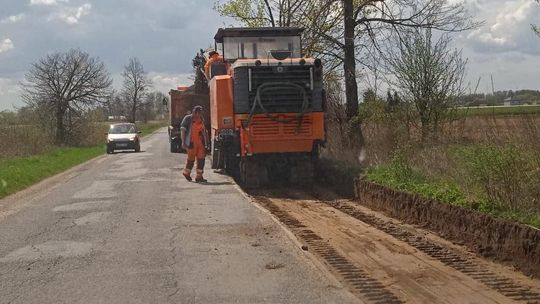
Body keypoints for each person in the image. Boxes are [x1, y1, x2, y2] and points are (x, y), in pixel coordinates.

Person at [180, 106, 209, 182]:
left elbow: (204, 132)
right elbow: (183, 130)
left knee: (201, 159)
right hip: (191, 143)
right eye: (197, 113)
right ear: (194, 112)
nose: (198, 114)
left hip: (201, 143)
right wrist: (183, 142)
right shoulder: (188, 119)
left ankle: (199, 176)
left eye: (200, 113)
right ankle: (186, 173)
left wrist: (207, 143)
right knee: (191, 159)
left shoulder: (202, 119)